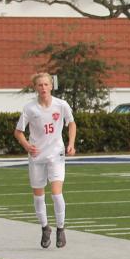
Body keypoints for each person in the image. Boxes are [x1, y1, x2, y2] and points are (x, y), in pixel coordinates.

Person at [15, 72, 77, 248]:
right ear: (35, 87)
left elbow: (71, 123)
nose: (43, 88)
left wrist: (71, 143)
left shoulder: (61, 105)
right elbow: (18, 131)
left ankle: (60, 228)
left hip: (56, 154)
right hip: (36, 156)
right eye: (40, 85)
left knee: (57, 194)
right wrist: (27, 145)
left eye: (46, 84)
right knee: (38, 196)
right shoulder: (30, 108)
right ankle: (44, 228)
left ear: (51, 86)